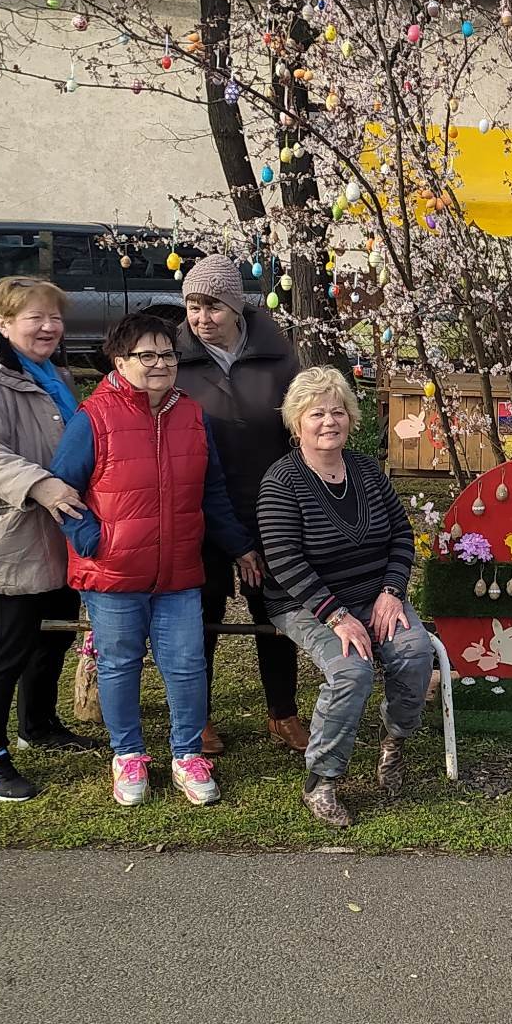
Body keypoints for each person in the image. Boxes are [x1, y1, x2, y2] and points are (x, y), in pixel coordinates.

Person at [48, 310, 258, 808]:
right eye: (147, 355)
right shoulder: (93, 418)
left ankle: (187, 755)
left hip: (178, 570)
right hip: (114, 573)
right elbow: (60, 490)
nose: (160, 363)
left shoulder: (191, 415)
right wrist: (93, 540)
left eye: (167, 354)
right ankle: (128, 755)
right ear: (119, 361)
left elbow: (212, 491)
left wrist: (239, 545)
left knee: (186, 664)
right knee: (120, 664)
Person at [0, 275, 93, 801]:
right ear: (3, 322)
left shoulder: (48, 371)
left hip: (55, 526)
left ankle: (38, 725)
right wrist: (40, 485)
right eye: (35, 318)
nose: (49, 327)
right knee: (8, 645)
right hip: (8, 529)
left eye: (55, 317)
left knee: (54, 633)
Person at [257, 367, 432, 828]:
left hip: (373, 592)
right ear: (297, 422)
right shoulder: (281, 482)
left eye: (337, 412)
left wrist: (392, 593)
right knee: (351, 671)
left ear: (351, 419)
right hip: (307, 602)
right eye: (316, 414)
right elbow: (284, 560)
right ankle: (322, 779)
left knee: (414, 653)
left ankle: (393, 742)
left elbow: (401, 536)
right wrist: (336, 616)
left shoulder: (367, 471)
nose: (328, 422)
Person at [174, 254, 305, 756]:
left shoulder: (278, 357)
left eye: (213, 307)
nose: (202, 318)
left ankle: (282, 712)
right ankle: (200, 716)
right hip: (199, 508)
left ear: (236, 307)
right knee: (201, 615)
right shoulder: (174, 360)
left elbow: (299, 423)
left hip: (267, 503)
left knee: (274, 611)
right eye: (193, 306)